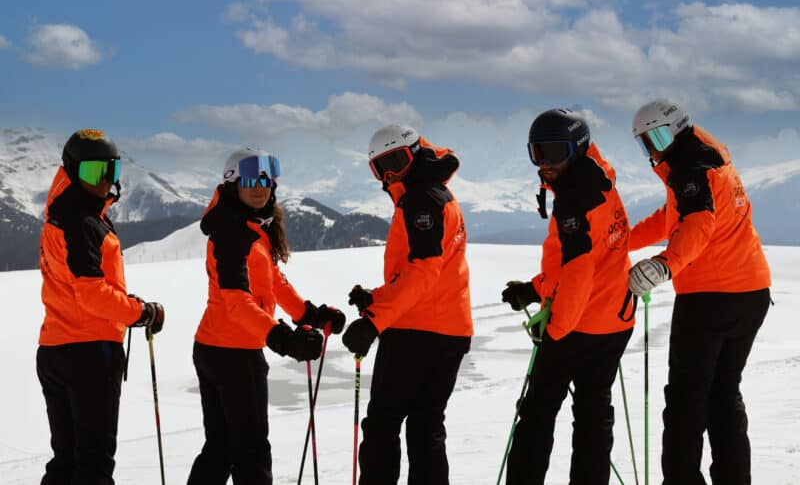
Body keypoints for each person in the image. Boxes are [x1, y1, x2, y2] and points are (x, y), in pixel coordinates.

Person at [627, 98, 771, 484]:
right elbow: (674, 216)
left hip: (711, 298)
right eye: (646, 142)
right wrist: (625, 240)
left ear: (675, 129)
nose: (654, 148)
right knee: (723, 395)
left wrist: (664, 264)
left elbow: (697, 224)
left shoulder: (690, 167)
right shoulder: (706, 154)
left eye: (657, 136)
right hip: (752, 292)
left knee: (686, 405)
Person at [187, 147, 345, 485]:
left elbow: (273, 282)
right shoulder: (233, 233)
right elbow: (236, 301)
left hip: (217, 347)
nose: (259, 187)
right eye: (249, 180)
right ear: (233, 184)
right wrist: (282, 337)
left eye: (266, 180)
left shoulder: (249, 226)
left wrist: (309, 314)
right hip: (234, 354)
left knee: (222, 448)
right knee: (250, 452)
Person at [501, 109, 635, 484]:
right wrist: (535, 288)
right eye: (537, 153)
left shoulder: (574, 199)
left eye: (553, 153)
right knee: (593, 414)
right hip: (615, 319)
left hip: (580, 324)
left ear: (575, 150)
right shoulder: (599, 177)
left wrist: (556, 329)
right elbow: (591, 254)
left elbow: (578, 272)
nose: (544, 164)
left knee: (537, 414)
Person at [342, 124, 472, 485]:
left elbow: (423, 272)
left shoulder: (421, 200)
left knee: (383, 423)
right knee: (425, 425)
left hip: (417, 332)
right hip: (449, 327)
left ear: (415, 154)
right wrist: (377, 299)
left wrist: (373, 321)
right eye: (379, 168)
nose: (388, 176)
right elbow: (429, 274)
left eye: (396, 162)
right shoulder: (436, 192)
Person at [37, 129, 166, 484]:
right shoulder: (82, 222)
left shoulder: (60, 215)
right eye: (95, 173)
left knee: (66, 460)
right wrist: (140, 312)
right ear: (72, 171)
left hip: (55, 348)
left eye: (112, 171)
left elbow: (79, 287)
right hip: (89, 353)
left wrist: (130, 305)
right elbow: (91, 293)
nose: (106, 181)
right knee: (93, 464)